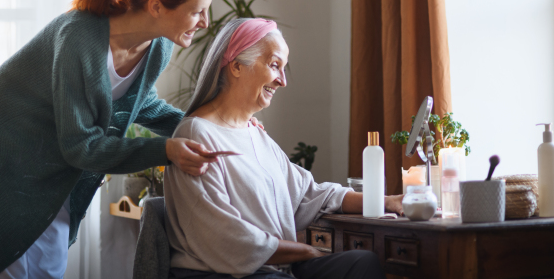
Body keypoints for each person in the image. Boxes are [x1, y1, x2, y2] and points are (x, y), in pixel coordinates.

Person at [0, 0, 230, 279]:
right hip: (3, 153)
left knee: (47, 265)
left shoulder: (158, 44)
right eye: (197, 12)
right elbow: (81, 146)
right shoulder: (80, 37)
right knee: (13, 265)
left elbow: (143, 103)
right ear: (157, 6)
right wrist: (165, 150)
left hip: (54, 159)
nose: (205, 23)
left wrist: (217, 128)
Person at [163, 18, 404, 279]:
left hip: (273, 269)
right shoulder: (196, 134)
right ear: (236, 67)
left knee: (362, 263)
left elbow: (309, 196)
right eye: (274, 65)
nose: (283, 81)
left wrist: (386, 201)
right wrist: (306, 251)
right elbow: (224, 237)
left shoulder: (256, 135)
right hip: (225, 274)